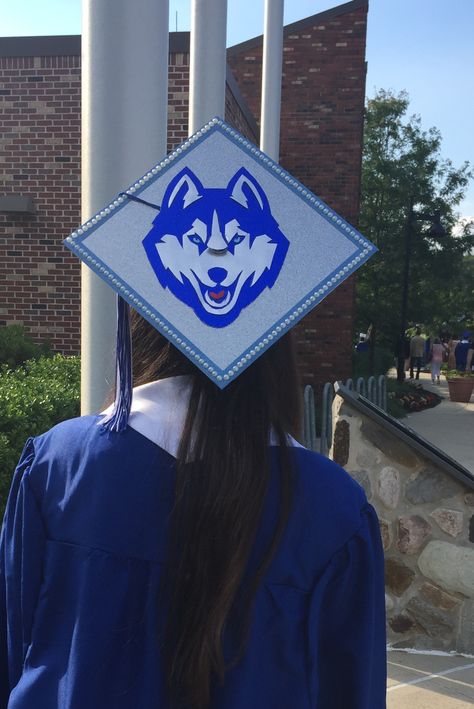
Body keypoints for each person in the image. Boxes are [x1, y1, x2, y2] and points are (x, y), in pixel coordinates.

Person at [0, 125, 386, 708]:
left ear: (141, 318)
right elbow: (350, 691)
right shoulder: (331, 507)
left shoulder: (60, 468)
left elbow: (14, 645)